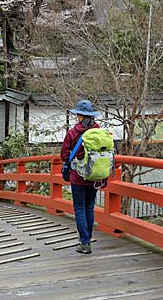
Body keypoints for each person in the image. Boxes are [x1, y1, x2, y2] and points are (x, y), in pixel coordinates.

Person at [61, 99, 100, 254]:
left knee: (79, 209)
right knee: (89, 208)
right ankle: (87, 238)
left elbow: (64, 155)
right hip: (95, 176)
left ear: (79, 116)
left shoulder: (73, 133)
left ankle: (84, 243)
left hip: (78, 176)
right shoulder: (99, 132)